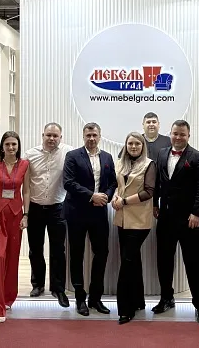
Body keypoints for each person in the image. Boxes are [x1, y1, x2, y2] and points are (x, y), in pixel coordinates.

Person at [152, 120, 199, 325]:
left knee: (193, 263)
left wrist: (197, 213)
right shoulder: (162, 153)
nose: (178, 137)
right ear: (170, 134)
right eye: (175, 133)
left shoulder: (198, 157)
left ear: (188, 135)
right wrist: (155, 203)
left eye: (182, 134)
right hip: (165, 218)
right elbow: (158, 181)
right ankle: (166, 298)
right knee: (164, 261)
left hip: (189, 220)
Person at [63, 122, 117, 316]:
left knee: (102, 253)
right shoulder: (72, 156)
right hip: (76, 212)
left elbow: (113, 182)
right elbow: (68, 182)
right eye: (88, 135)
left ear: (99, 136)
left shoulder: (107, 157)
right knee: (77, 255)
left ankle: (95, 298)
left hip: (99, 212)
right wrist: (91, 196)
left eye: (94, 135)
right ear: (83, 136)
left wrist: (105, 197)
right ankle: (80, 298)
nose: (92, 138)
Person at [0, 131, 30, 322]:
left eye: (14, 144)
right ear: (2, 146)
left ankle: (8, 297)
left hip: (16, 215)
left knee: (12, 257)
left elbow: (26, 191)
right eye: (7, 144)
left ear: (18, 146)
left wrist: (26, 215)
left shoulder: (25, 165)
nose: (11, 147)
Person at [24, 122, 73, 307]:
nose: (51, 138)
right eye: (48, 135)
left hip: (58, 208)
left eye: (55, 136)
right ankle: (37, 285)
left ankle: (57, 288)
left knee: (58, 249)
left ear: (61, 137)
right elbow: (26, 185)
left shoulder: (69, 153)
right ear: (42, 135)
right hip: (35, 208)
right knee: (35, 249)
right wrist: (25, 212)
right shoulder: (30, 155)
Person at [111, 132, 156, 325]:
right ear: (126, 145)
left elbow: (149, 192)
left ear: (143, 146)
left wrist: (124, 201)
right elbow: (118, 186)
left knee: (127, 263)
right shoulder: (120, 163)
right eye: (130, 143)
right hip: (122, 219)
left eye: (137, 143)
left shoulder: (149, 164)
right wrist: (115, 197)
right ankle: (138, 302)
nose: (134, 146)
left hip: (140, 220)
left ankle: (125, 309)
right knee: (133, 260)